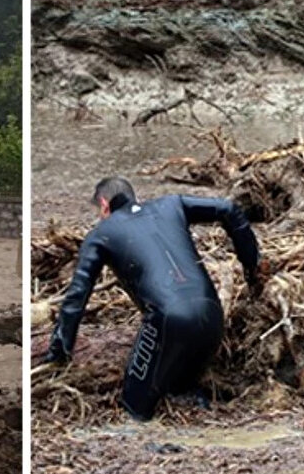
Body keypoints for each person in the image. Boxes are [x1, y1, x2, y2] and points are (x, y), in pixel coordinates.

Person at [40, 176, 263, 420]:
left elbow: (77, 295)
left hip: (168, 320)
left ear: (104, 205)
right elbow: (228, 209)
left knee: (134, 409)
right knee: (180, 387)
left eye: (99, 212)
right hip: (212, 315)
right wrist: (252, 271)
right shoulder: (171, 204)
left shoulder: (101, 233)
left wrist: (59, 351)